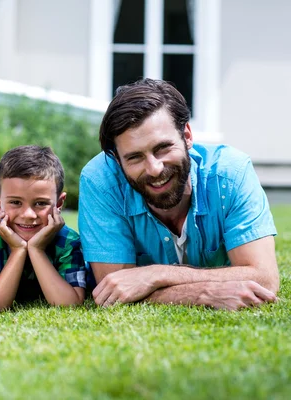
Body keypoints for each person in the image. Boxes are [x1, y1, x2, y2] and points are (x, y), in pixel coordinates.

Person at [78, 78, 279, 310]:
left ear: (187, 136)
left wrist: (156, 274)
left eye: (162, 148)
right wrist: (202, 292)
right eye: (134, 157)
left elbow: (264, 278)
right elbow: (111, 290)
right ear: (116, 160)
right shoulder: (100, 181)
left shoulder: (231, 173)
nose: (154, 169)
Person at [0, 145, 87, 311]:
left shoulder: (68, 242)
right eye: (15, 202)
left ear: (59, 204)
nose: (28, 214)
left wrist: (36, 250)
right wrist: (18, 250)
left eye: (41, 203)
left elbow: (69, 305)